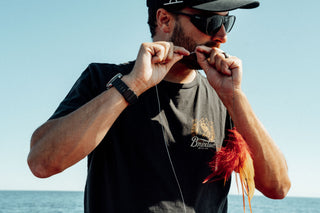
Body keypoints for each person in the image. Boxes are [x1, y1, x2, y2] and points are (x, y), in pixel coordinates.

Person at [27, 0, 291, 212]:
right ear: (164, 19)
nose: (221, 35)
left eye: (227, 22)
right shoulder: (104, 79)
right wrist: (133, 85)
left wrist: (235, 97)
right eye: (211, 21)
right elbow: (42, 162)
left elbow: (277, 187)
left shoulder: (224, 98)